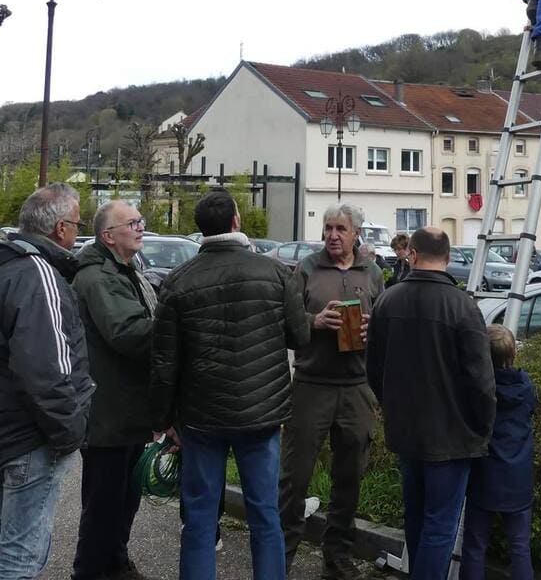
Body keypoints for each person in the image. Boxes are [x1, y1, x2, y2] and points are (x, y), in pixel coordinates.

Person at [150, 190, 310, 580]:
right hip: (261, 413)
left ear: (201, 228)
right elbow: (300, 337)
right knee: (264, 513)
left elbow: (164, 360)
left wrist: (163, 419)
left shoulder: (177, 281)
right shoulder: (275, 273)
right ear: (236, 222)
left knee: (201, 517)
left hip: (201, 416)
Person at [366, 227, 495, 580]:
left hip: (406, 431)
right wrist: (483, 427)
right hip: (452, 436)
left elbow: (373, 369)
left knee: (417, 517)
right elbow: (481, 382)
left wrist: (389, 407)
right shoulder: (464, 307)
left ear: (412, 254)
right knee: (440, 524)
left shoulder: (388, 301)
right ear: (449, 258)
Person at [279, 202, 384, 580]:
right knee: (295, 478)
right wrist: (315, 321)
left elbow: (384, 324)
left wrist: (376, 330)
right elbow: (286, 324)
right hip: (311, 386)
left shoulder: (371, 272)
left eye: (341, 228)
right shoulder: (306, 269)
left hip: (356, 388)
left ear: (356, 233)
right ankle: (282, 559)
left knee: (349, 478)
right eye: (328, 228)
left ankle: (337, 559)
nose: (333, 235)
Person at [0, 184, 93, 580]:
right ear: (60, 229)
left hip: (9, 430)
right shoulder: (39, 274)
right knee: (19, 557)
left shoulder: (6, 266)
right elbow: (48, 368)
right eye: (76, 223)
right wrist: (70, 432)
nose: (76, 231)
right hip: (30, 438)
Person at [72, 200, 158, 580]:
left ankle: (115, 563)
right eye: (132, 223)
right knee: (103, 505)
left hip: (127, 409)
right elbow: (129, 334)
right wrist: (175, 325)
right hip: (107, 412)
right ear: (108, 236)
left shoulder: (127, 270)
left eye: (140, 221)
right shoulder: (99, 277)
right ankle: (90, 571)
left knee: (124, 499)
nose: (140, 227)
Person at [460, 325, 537, 580]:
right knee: (519, 547)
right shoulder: (526, 387)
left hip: (485, 478)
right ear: (514, 352)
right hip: (519, 480)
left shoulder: (479, 390)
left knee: (474, 545)